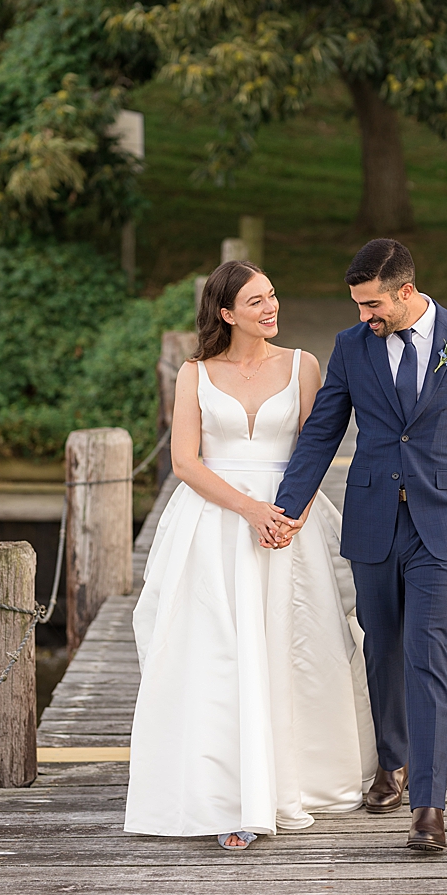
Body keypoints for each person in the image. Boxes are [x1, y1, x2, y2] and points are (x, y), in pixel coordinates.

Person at [269, 238, 447, 853]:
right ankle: (392, 762)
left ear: (406, 291)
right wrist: (287, 507)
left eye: (372, 304)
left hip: (441, 523)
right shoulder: (351, 347)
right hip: (373, 520)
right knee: (381, 646)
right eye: (358, 305)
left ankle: (429, 807)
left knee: (427, 656)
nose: (365, 316)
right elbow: (323, 432)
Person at [126, 260, 376, 850]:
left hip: (289, 522)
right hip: (214, 525)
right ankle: (227, 795)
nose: (271, 308)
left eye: (273, 295)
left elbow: (315, 447)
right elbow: (186, 463)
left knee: (292, 646)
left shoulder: (302, 365)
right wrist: (248, 510)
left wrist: (288, 515)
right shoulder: (195, 373)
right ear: (226, 312)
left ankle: (296, 780)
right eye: (257, 301)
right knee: (217, 656)